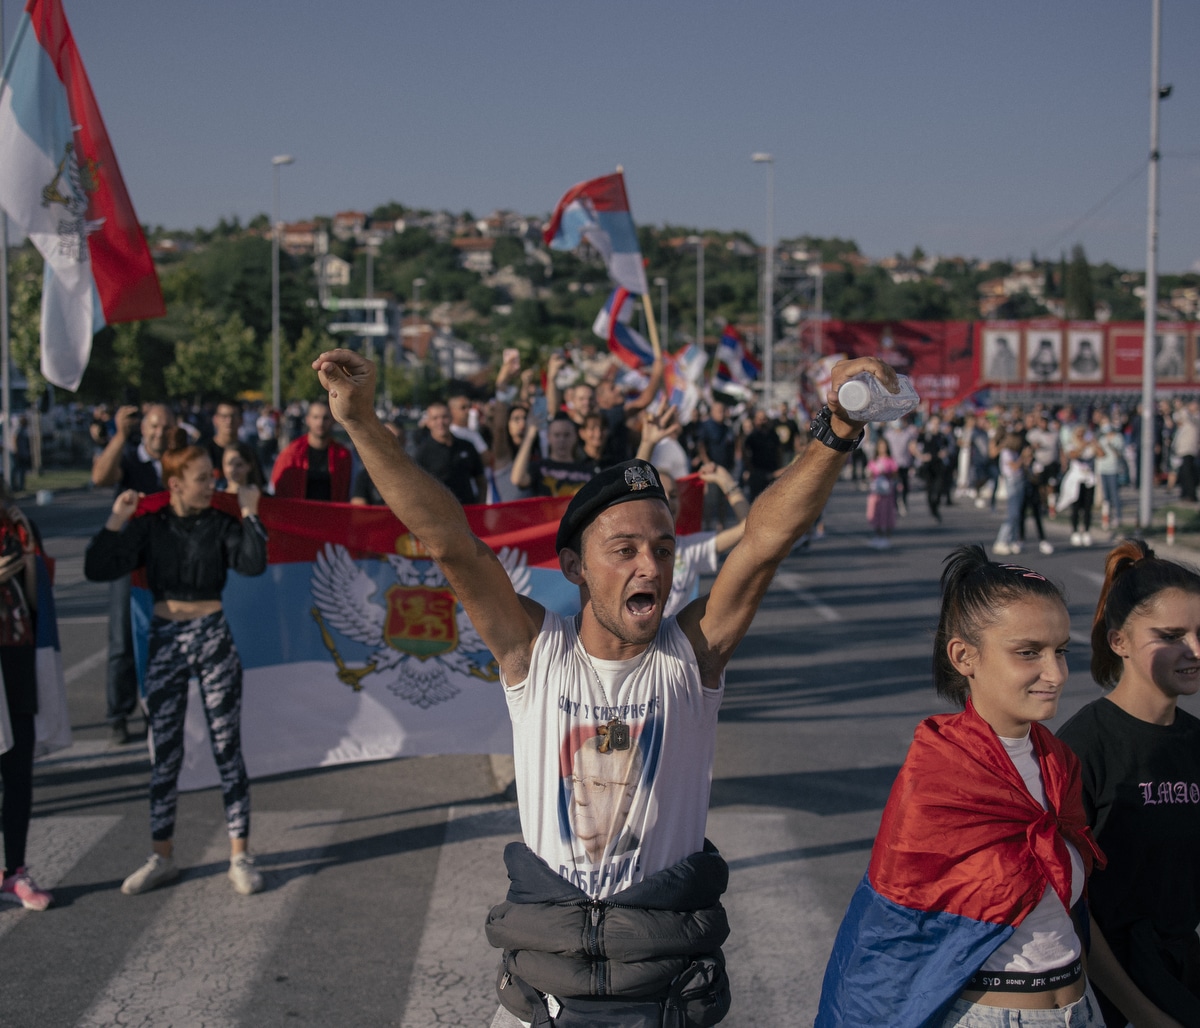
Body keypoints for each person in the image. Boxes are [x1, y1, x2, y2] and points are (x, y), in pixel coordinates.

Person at [310, 347, 895, 1027]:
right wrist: (357, 421)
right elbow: (450, 544)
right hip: (541, 999)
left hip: (665, 995)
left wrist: (839, 429)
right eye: (624, 550)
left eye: (664, 549)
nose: (652, 565)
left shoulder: (690, 657)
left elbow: (764, 541)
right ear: (574, 566)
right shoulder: (535, 652)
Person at [817, 545, 1105, 1027]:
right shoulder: (939, 775)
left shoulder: (1060, 763)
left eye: (1061, 651)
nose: (1055, 674)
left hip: (1082, 1010)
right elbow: (893, 936)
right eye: (1029, 652)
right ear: (964, 656)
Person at [84, 440, 269, 896]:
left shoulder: (221, 523)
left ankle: (239, 855)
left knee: (228, 747)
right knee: (165, 752)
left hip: (212, 637)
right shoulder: (151, 527)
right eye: (202, 479)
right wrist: (117, 518)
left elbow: (252, 562)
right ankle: (161, 856)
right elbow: (97, 566)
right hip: (166, 640)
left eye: (212, 477)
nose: (212, 485)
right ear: (175, 485)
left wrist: (250, 513)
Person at [1058, 540, 1200, 1027]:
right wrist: (1145, 1015)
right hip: (1104, 994)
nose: (1195, 650)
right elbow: (1068, 906)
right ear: (1119, 641)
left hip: (1182, 977)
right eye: (1172, 635)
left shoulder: (1195, 741)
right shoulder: (1081, 747)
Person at [91, 402, 177, 746]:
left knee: (162, 638)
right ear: (143, 429)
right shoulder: (127, 457)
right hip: (128, 560)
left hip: (166, 561)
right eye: (153, 426)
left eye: (165, 427)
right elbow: (100, 477)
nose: (159, 433)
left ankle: (153, 709)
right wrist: (118, 435)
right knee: (122, 640)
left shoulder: (176, 462)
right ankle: (119, 714)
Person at [0, 485, 52, 910]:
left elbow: (37, 601)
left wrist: (28, 555)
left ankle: (15, 870)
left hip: (16, 655)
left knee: (17, 770)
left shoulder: (19, 526)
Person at [269, 400, 352, 501]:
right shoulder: (291, 453)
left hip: (332, 513)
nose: (320, 423)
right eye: (315, 417)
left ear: (333, 420)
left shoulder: (343, 455)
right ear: (308, 420)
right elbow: (276, 488)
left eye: (325, 418)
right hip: (298, 513)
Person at [413, 400, 486, 506]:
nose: (440, 422)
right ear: (428, 422)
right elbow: (416, 490)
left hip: (469, 512)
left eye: (444, 417)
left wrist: (481, 505)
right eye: (435, 418)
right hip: (440, 517)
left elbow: (481, 480)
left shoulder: (467, 446)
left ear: (451, 418)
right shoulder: (422, 453)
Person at [350, 421, 405, 506]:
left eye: (395, 439)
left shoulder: (415, 476)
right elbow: (358, 511)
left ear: (404, 441)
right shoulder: (365, 476)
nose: (390, 444)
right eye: (384, 438)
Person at [865, 436, 899, 549]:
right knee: (875, 513)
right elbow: (869, 474)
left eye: (884, 446)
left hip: (887, 491)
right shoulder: (874, 460)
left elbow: (895, 473)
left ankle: (886, 536)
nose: (882, 448)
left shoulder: (890, 460)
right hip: (876, 491)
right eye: (880, 446)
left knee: (886, 513)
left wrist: (887, 473)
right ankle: (878, 535)